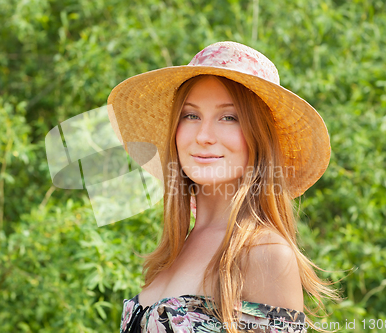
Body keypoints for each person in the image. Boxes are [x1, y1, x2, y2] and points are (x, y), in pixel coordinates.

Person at [107, 41, 339, 333]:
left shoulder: (264, 253)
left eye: (228, 117)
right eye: (191, 115)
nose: (203, 136)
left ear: (258, 138)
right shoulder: (173, 252)